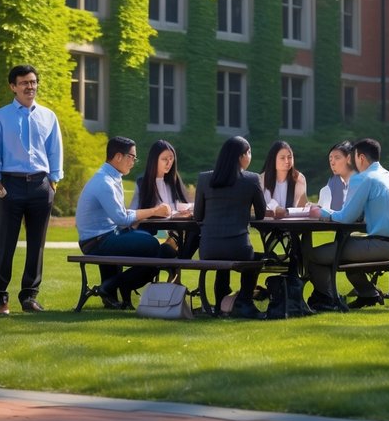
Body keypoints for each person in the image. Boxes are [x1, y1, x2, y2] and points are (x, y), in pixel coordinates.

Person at [0, 64, 63, 315]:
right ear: (13, 87)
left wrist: (53, 182)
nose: (30, 87)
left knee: (36, 244)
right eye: (24, 83)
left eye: (33, 82)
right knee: (5, 244)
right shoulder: (0, 116)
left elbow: (55, 150)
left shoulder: (48, 116)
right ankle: (0, 299)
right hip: (11, 185)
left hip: (41, 185)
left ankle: (29, 296)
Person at [306, 138, 389, 310]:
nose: (352, 162)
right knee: (347, 249)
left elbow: (345, 217)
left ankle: (328, 298)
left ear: (362, 158)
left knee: (313, 255)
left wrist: (320, 212)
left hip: (380, 245)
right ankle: (368, 295)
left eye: (354, 157)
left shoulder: (364, 178)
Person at [75, 137, 171, 309]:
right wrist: (154, 211)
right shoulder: (104, 182)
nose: (133, 162)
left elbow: (121, 217)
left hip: (106, 235)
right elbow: (122, 218)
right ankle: (114, 286)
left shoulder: (111, 177)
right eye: (131, 157)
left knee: (152, 244)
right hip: (98, 241)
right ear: (118, 156)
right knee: (152, 245)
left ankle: (112, 289)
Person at [194, 136, 267, 319]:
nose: (250, 156)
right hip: (238, 246)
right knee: (256, 259)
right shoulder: (251, 179)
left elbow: (197, 216)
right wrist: (243, 213)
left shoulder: (204, 179)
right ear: (241, 156)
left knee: (222, 266)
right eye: (249, 152)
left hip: (209, 248)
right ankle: (243, 300)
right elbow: (261, 214)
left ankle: (220, 306)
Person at [131, 139, 197, 258]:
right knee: (166, 250)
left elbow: (185, 205)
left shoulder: (174, 182)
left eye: (171, 159)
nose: (169, 163)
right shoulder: (142, 183)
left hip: (174, 232)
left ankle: (181, 258)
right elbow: (133, 214)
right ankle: (173, 256)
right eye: (164, 159)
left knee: (196, 232)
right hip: (150, 233)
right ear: (154, 160)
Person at [261, 140, 307, 217]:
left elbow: (302, 208)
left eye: (289, 157)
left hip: (291, 224)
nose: (287, 161)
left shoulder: (299, 179)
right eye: (282, 158)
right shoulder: (262, 179)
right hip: (267, 223)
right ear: (273, 159)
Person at [317, 140, 355, 211]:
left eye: (337, 158)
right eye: (330, 160)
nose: (332, 163)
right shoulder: (327, 189)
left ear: (349, 159)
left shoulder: (363, 183)